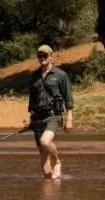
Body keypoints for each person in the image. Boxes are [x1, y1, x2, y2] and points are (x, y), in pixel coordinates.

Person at [26, 44, 73, 179]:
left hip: (53, 116)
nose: (42, 59)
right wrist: (30, 120)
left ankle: (57, 160)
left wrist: (69, 119)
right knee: (42, 152)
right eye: (40, 56)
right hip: (37, 118)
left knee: (45, 142)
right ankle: (49, 186)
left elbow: (68, 98)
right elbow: (32, 99)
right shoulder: (34, 76)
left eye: (45, 56)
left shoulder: (60, 75)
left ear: (51, 56)